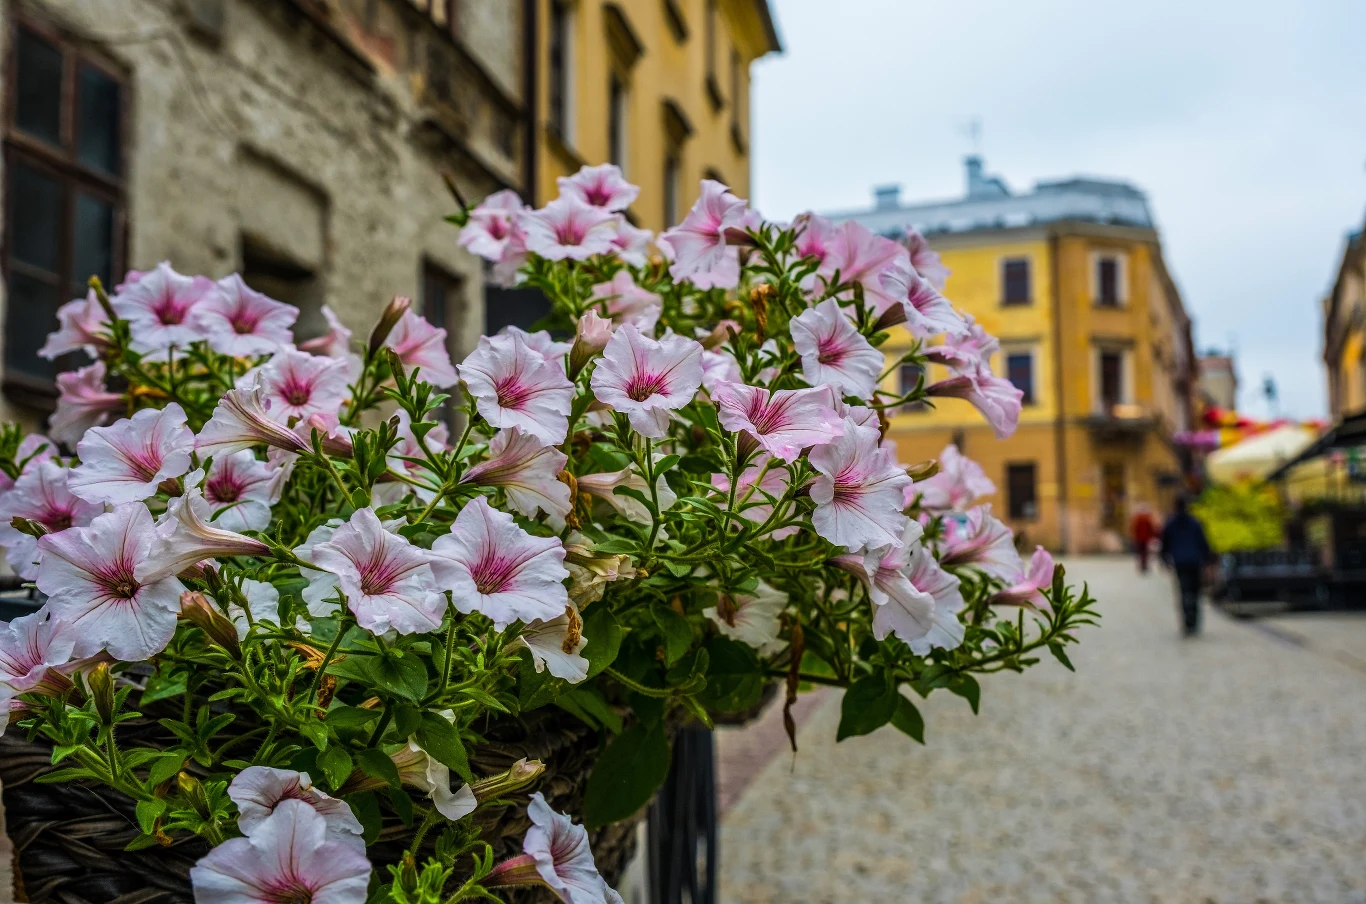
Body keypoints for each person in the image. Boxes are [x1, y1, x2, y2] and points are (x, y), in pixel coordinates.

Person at [1160, 495, 1213, 636]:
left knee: (1184, 591)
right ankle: (1193, 620)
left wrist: (1164, 559)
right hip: (1194, 561)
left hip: (1180, 562)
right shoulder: (1194, 523)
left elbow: (1165, 544)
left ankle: (1187, 621)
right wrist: (1208, 558)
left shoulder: (1171, 523)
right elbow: (1203, 542)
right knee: (1195, 592)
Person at [1129, 503, 1159, 573]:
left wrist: (1134, 536)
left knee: (1140, 552)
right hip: (1145, 538)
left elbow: (1134, 528)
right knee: (1145, 553)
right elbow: (1151, 528)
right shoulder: (1147, 518)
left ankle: (1142, 565)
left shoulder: (1137, 518)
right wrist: (1152, 536)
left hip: (1139, 538)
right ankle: (1144, 565)